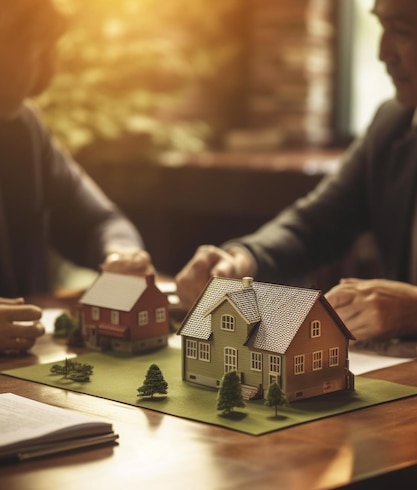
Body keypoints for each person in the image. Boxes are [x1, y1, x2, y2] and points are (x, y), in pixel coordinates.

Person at [176, 0, 417, 344]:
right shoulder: (392, 124)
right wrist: (240, 261)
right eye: (381, 27)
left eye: (403, 31)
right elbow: (314, 226)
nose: (383, 52)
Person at [0, 0, 154, 354]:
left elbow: (99, 221)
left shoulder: (24, 128)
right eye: (40, 48)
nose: (50, 70)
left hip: (24, 375)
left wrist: (122, 256)